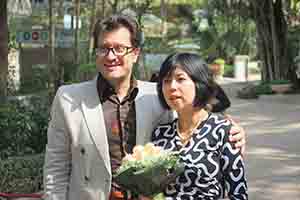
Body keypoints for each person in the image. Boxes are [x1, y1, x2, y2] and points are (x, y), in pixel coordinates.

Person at [43, 14, 246, 200]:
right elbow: (56, 166)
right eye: (104, 48)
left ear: (136, 53)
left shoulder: (158, 95)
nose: (111, 56)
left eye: (120, 48)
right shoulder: (69, 97)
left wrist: (231, 132)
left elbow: (194, 117)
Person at [151, 52, 248, 200]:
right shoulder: (160, 134)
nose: (172, 87)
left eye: (180, 79)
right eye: (166, 80)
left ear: (199, 83)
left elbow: (238, 193)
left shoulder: (223, 131)